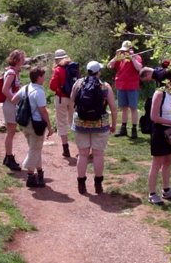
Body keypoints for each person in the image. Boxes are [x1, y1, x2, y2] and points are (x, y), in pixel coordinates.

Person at [70, 61, 117, 194]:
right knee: (98, 154)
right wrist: (113, 124)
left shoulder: (78, 83)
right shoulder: (105, 86)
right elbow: (113, 108)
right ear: (98, 72)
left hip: (80, 123)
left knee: (83, 154)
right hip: (100, 124)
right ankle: (98, 184)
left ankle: (81, 184)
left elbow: (72, 100)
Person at [11, 66, 54, 188]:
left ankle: (39, 172)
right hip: (36, 125)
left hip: (25, 123)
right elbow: (43, 111)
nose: (44, 78)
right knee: (34, 149)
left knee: (35, 148)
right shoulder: (39, 92)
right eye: (43, 76)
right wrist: (50, 127)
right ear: (39, 77)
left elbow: (14, 100)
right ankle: (30, 176)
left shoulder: (25, 88)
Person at [147, 70, 171, 205]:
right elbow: (154, 117)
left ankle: (166, 190)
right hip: (160, 132)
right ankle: (152, 193)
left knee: (168, 160)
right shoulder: (159, 93)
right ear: (167, 80)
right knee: (157, 163)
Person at [108, 40, 143, 139]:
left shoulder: (137, 57)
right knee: (123, 108)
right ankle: (123, 128)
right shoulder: (120, 57)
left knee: (133, 108)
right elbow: (109, 66)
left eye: (126, 51)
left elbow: (139, 68)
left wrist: (132, 58)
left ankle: (134, 129)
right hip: (121, 86)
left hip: (132, 86)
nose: (124, 52)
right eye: (123, 50)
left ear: (131, 49)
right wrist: (116, 57)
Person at [1, 49, 26, 171]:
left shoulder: (14, 72)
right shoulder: (11, 73)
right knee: (11, 132)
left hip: (11, 105)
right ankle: (9, 157)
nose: (24, 60)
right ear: (16, 60)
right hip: (10, 105)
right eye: (22, 58)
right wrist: (14, 100)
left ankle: (8, 157)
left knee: (11, 132)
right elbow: (5, 90)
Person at [48, 49, 74, 158]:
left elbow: (52, 86)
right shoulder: (74, 67)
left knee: (62, 123)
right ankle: (83, 147)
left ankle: (66, 148)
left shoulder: (58, 69)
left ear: (57, 59)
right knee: (74, 121)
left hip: (61, 98)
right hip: (73, 98)